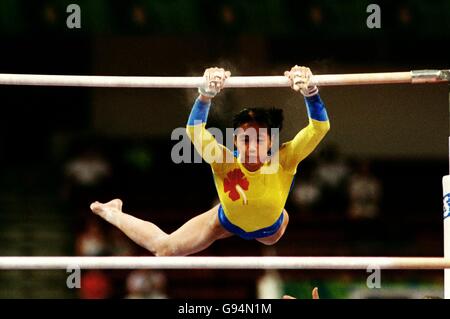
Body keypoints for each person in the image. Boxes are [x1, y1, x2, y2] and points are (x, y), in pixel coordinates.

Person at [90, 65, 330, 256]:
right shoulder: (224, 161)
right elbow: (195, 130)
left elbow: (319, 128)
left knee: (270, 235)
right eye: (245, 139)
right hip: (226, 220)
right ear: (234, 142)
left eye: (259, 139)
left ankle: (279, 213)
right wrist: (205, 96)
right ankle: (113, 211)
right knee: (164, 249)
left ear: (271, 142)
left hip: (271, 229)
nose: (252, 145)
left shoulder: (284, 159)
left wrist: (311, 93)